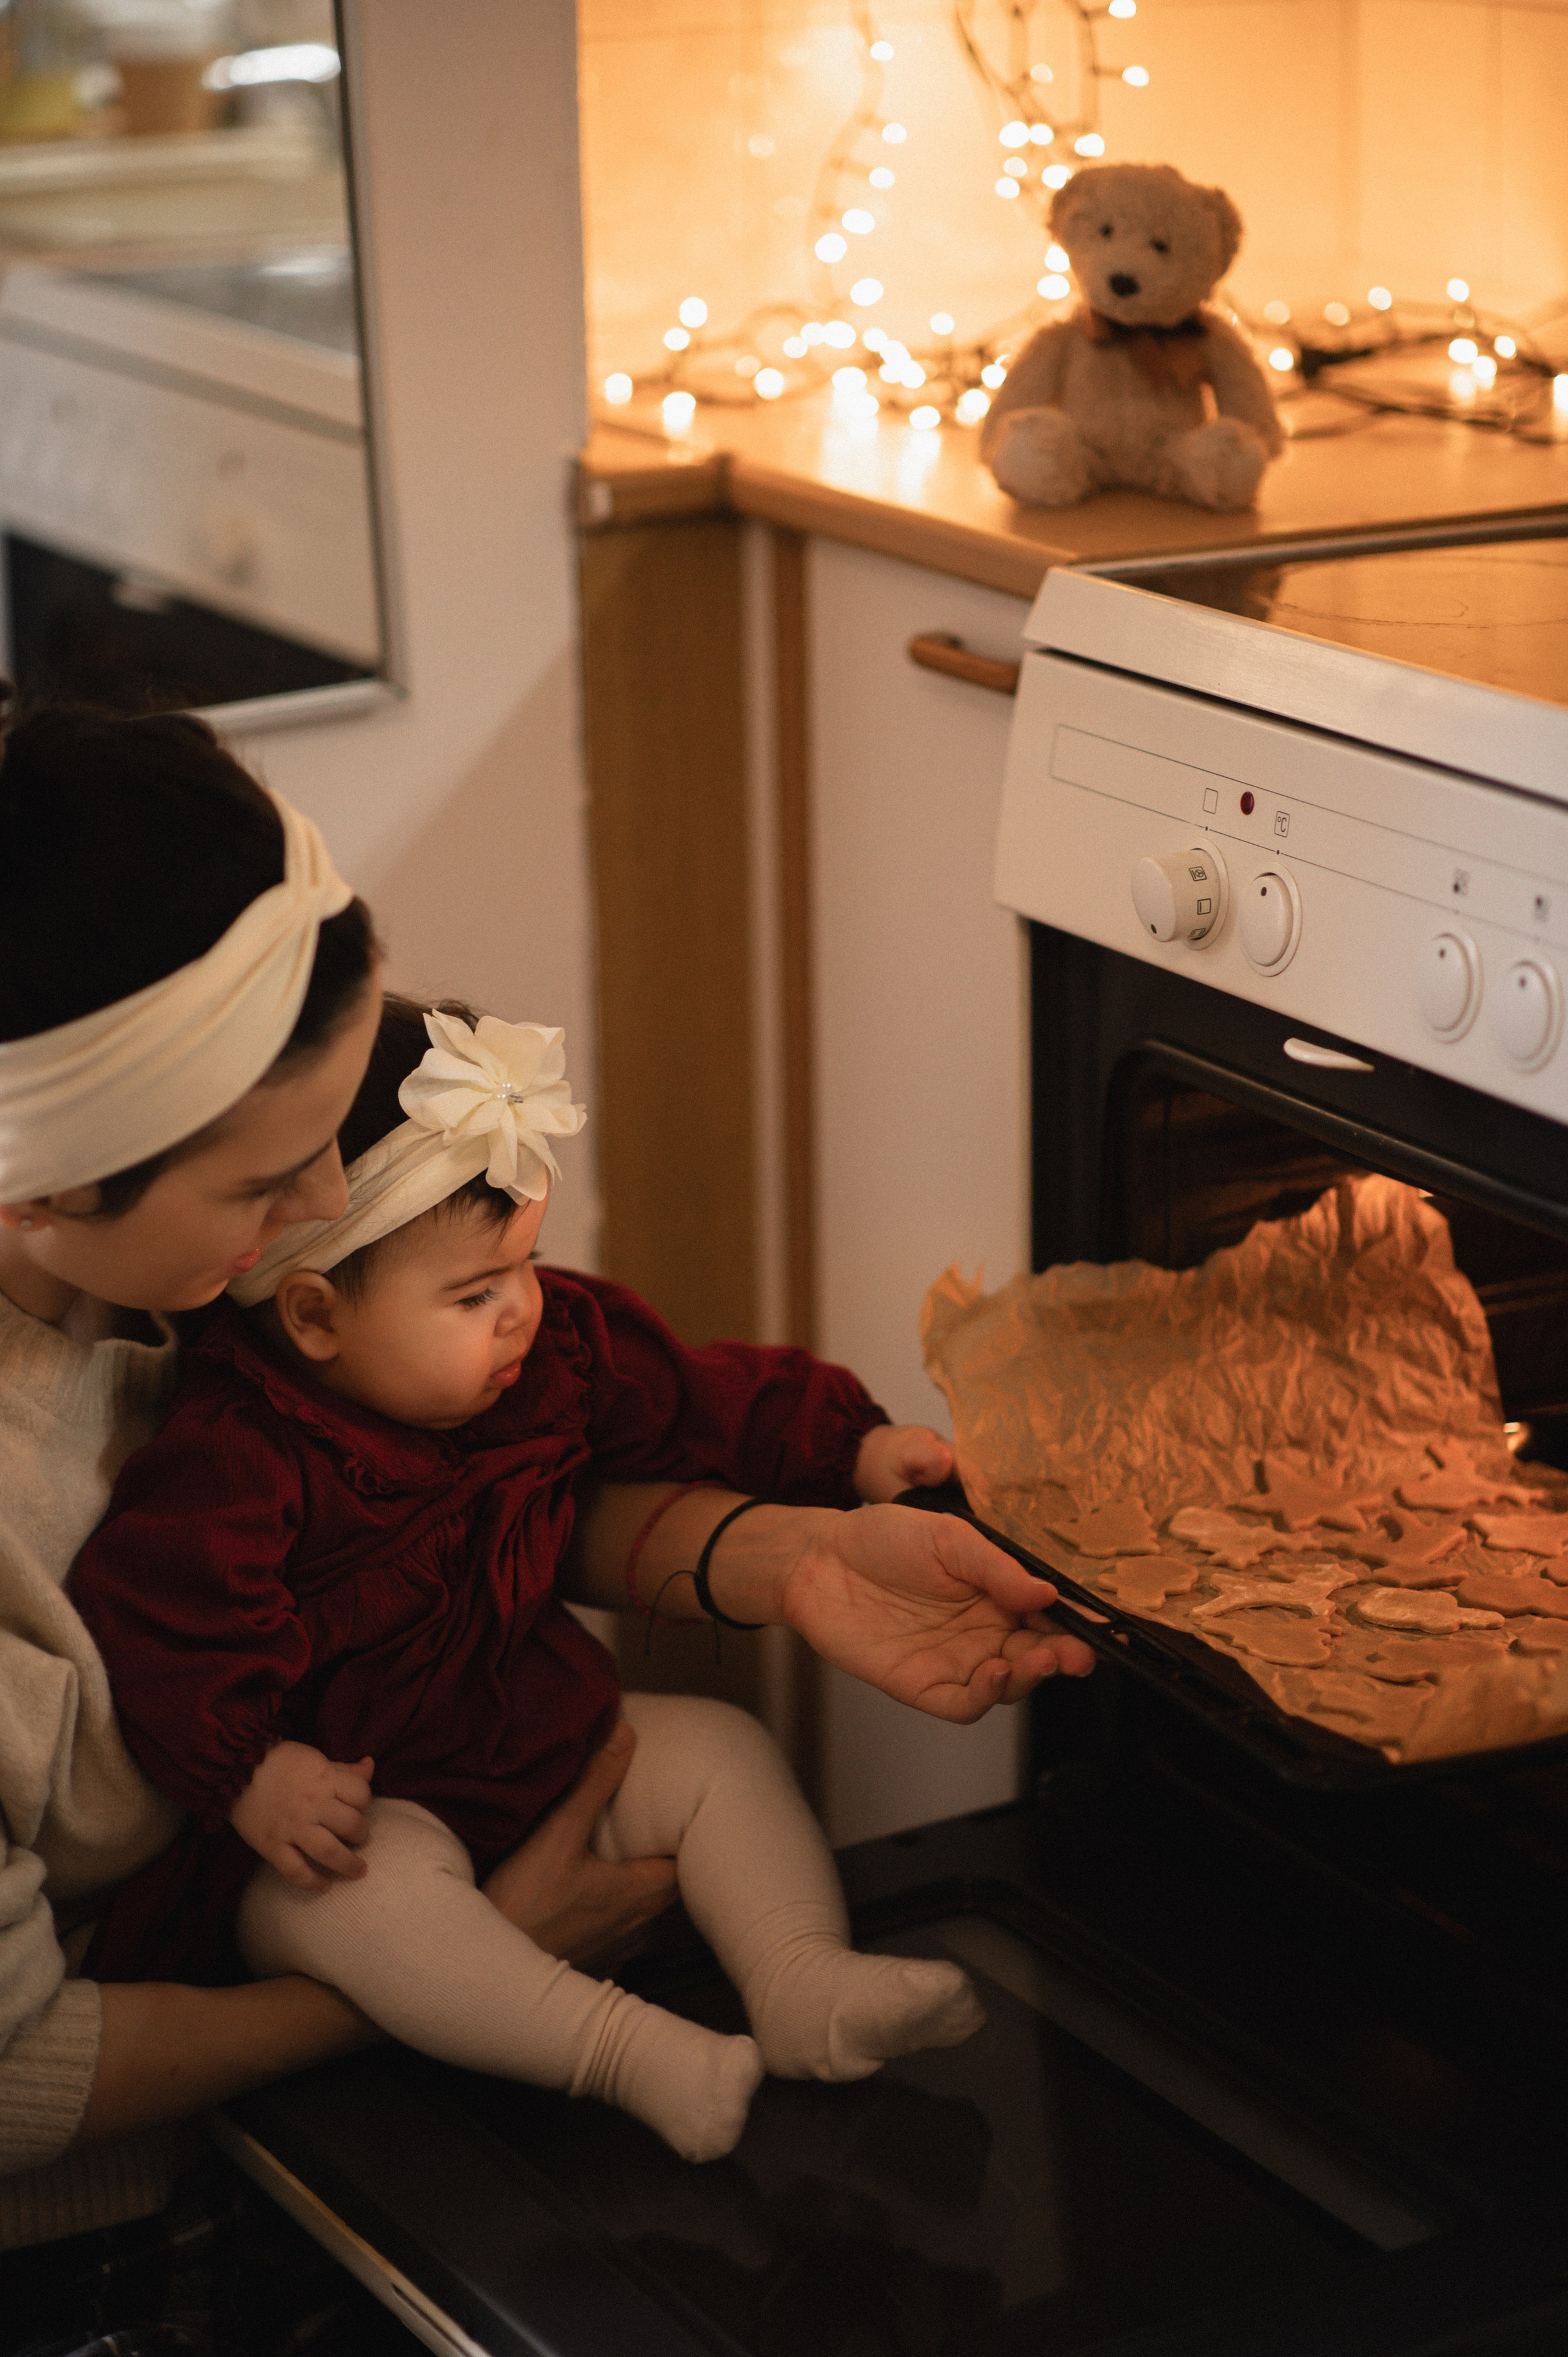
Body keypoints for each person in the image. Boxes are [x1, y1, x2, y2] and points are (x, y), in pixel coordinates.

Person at [0, 705, 1090, 2247]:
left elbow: (455, 1503)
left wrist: (792, 1553)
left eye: (332, 1135)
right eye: (265, 1182)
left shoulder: (195, 1262)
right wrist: (503, 1953)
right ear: (46, 1185)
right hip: (120, 2220)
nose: (330, 1202)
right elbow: (10, 2081)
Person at [75, 998, 998, 2162]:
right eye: (472, 1296)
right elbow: (161, 1621)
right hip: (357, 1804)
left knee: (716, 1749)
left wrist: (849, 1451)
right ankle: (625, 2052)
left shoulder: (550, 1351)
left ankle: (803, 1979)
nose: (521, 1308)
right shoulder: (236, 1454)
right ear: (314, 1316)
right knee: (362, 1906)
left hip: (523, 1729)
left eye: (527, 1263)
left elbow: (698, 1397)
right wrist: (254, 1774)